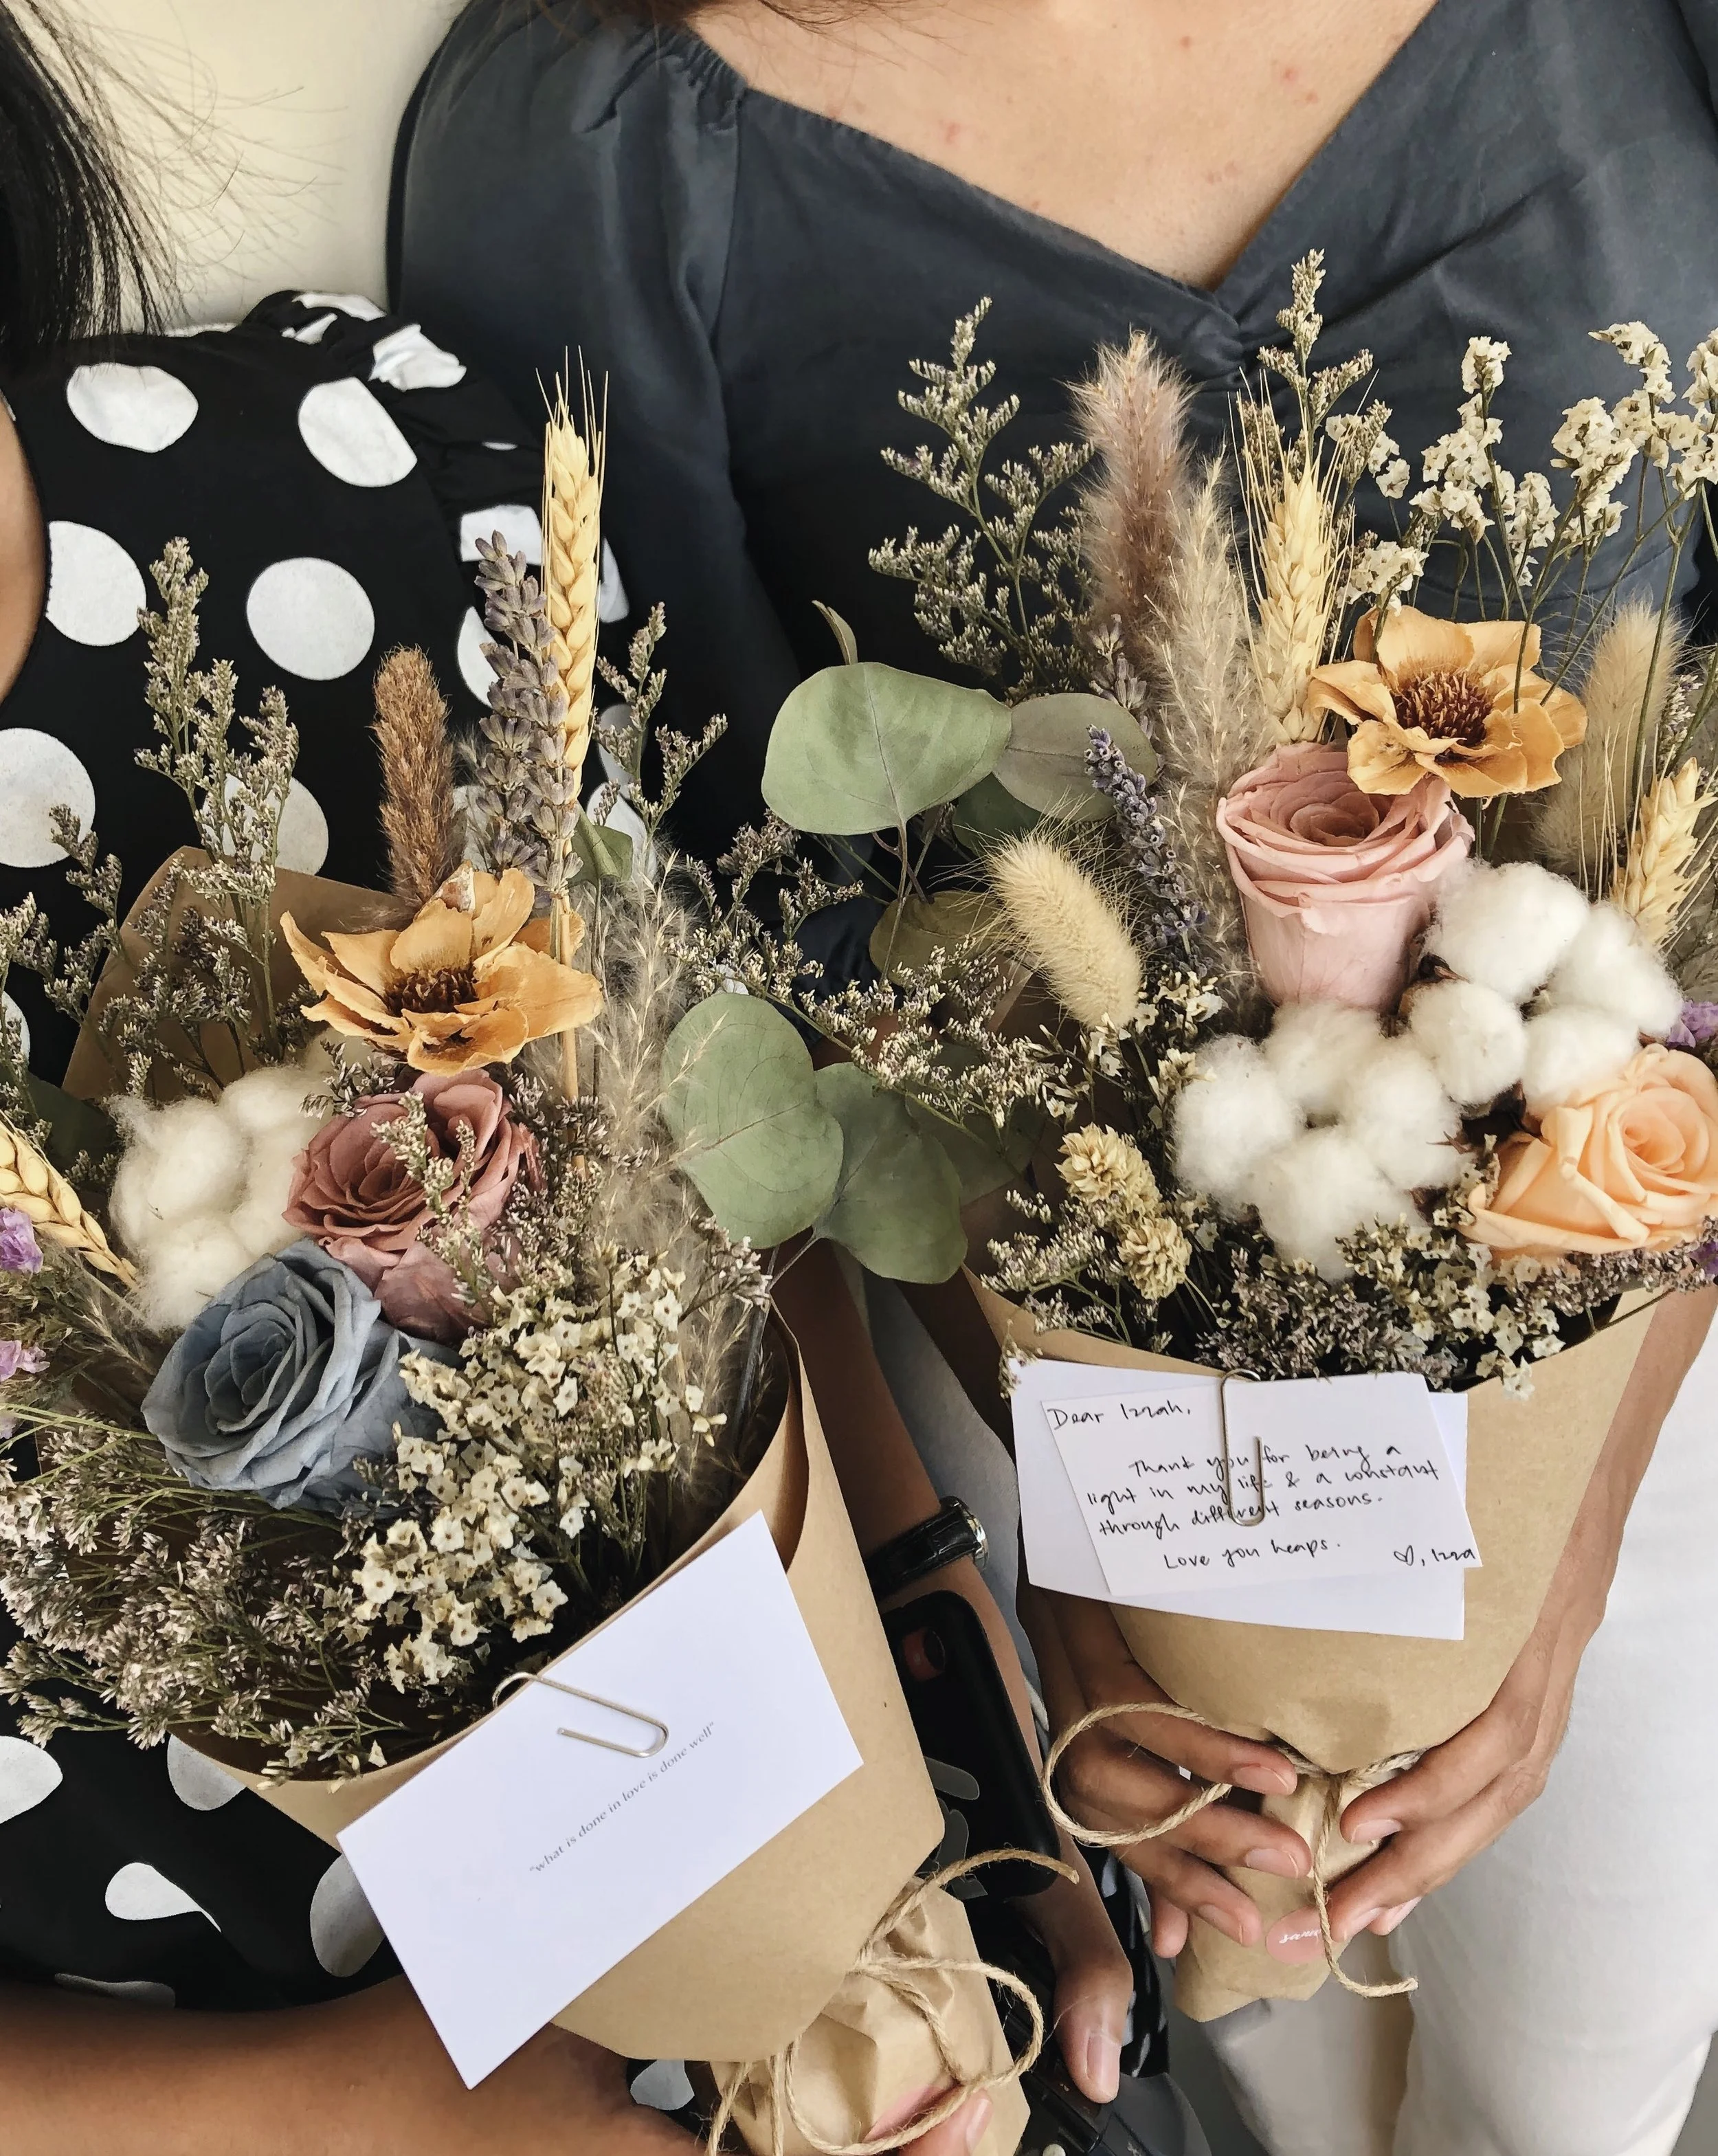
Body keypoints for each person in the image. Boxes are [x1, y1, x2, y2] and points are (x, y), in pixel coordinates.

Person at [392, 3, 1718, 2152]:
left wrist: (1571, 1539)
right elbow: (722, 924)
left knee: (1574, 2098)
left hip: (1656, 1383)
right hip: (1037, 1411)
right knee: (1239, 2084)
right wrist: (1106, 1553)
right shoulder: (597, 142)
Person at [0, 12, 1111, 2150]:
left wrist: (944, 1713)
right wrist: (351, 2117)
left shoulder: (375, 478)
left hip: (841, 1976)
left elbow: (700, 1215)